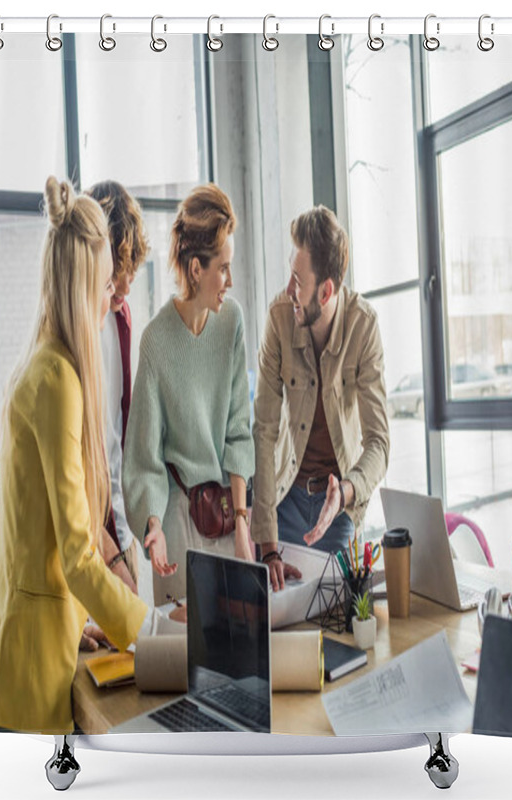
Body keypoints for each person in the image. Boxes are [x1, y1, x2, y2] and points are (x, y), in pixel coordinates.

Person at [0, 177, 181, 734]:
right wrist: (153, 630)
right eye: (107, 281)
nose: (111, 295)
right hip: (31, 683)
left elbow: (42, 547)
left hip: (24, 658)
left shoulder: (39, 364)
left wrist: (77, 618)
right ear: (84, 281)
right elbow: (77, 553)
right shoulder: (60, 379)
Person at [123, 183, 255, 607]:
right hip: (178, 524)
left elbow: (238, 428)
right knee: (183, 662)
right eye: (223, 268)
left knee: (236, 651)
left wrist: (242, 522)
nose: (229, 281)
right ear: (196, 269)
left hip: (226, 514)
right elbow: (144, 458)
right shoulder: (156, 343)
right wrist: (153, 526)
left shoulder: (231, 321)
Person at [251, 206, 390, 591]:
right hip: (285, 499)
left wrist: (344, 493)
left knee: (337, 618)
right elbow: (263, 429)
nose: (289, 290)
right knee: (279, 623)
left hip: (338, 509)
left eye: (298, 280)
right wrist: (267, 544)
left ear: (326, 290)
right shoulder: (279, 318)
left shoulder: (364, 326)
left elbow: (379, 444)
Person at [85, 180, 149, 597]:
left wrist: (130, 534)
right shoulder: (80, 331)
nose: (125, 285)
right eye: (119, 268)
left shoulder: (122, 320)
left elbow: (124, 436)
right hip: (90, 538)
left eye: (131, 270)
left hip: (120, 530)